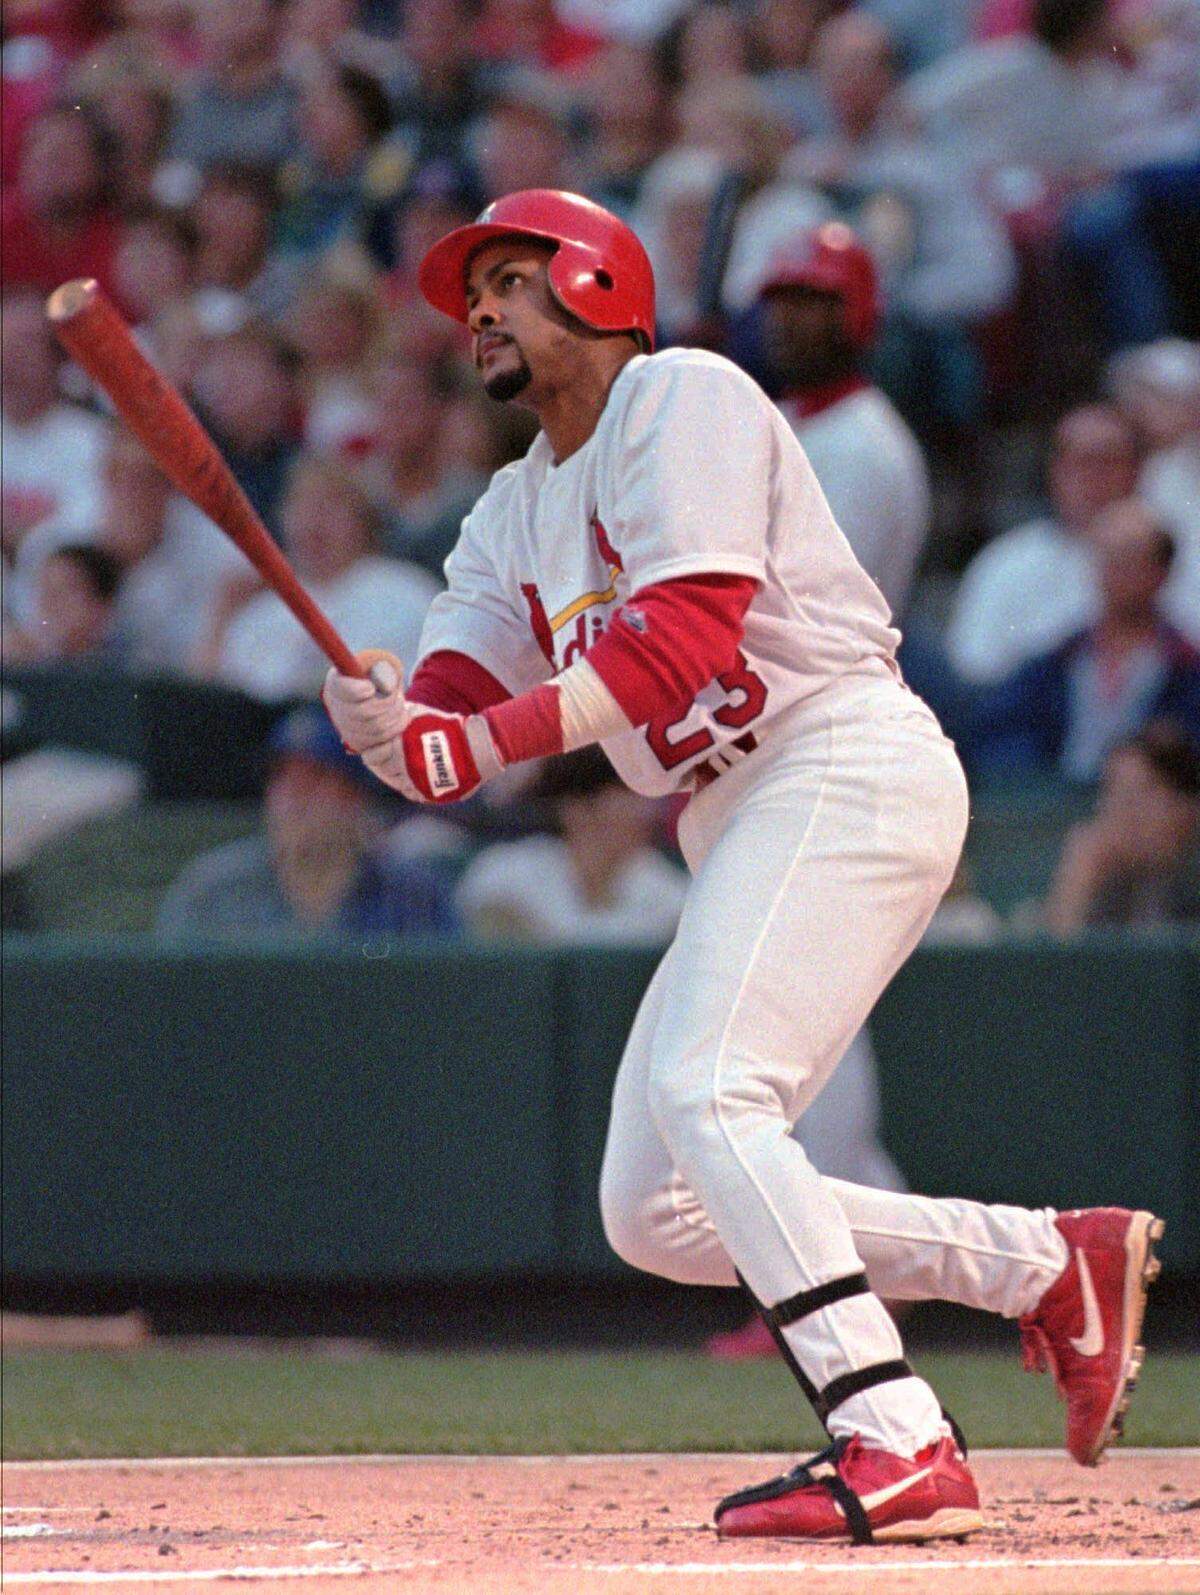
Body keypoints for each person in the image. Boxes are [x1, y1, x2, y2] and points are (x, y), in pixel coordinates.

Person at [322, 189, 1163, 1542]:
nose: (480, 312)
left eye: (512, 281)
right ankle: (1045, 1264)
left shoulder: (685, 396)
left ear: (600, 286)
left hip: (837, 755)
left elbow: (681, 641)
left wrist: (466, 736)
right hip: (738, 812)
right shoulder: (511, 507)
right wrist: (391, 723)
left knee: (715, 1091)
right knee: (652, 1210)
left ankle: (896, 1432)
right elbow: (456, 721)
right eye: (473, 296)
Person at [157, 705, 461, 940]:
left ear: (355, 796)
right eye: (281, 779)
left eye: (314, 781)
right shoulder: (214, 891)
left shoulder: (414, 897)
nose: (292, 798)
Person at [758, 220, 930, 618]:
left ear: (854, 315)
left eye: (807, 305)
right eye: (780, 303)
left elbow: (814, 604)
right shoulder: (783, 415)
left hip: (831, 652)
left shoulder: (864, 446)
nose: (785, 320)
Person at [966, 500, 1200, 784]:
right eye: (1107, 558)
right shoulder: (1057, 662)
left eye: (1130, 560)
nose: (1114, 573)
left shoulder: (1185, 668)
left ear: (1160, 571)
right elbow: (998, 733)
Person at [456, 746, 688, 943]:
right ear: (578, 808)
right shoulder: (506, 873)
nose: (647, 811)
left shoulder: (668, 888)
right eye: (629, 794)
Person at [1043, 720, 1200, 931]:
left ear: (1188, 807)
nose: (1120, 814)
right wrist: (1077, 881)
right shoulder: (1108, 881)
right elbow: (1058, 946)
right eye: (1111, 794)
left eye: (1136, 796)